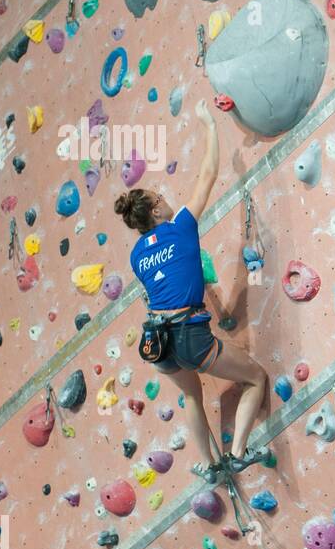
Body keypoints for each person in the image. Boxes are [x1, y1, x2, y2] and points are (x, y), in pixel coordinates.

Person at [114, 99, 268, 477]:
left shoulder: (136, 255)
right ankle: (237, 452)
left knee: (190, 394)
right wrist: (209, 126)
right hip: (188, 336)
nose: (167, 201)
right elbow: (208, 175)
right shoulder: (180, 226)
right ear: (154, 212)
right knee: (256, 378)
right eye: (160, 200)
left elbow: (169, 284)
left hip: (157, 345)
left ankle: (210, 466)